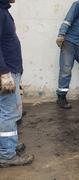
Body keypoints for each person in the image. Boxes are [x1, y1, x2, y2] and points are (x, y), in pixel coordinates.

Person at [0, 0, 34, 168]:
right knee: (8, 113)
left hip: (9, 70)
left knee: (5, 111)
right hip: (6, 72)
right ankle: (7, 154)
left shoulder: (3, 10)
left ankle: (7, 145)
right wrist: (4, 73)